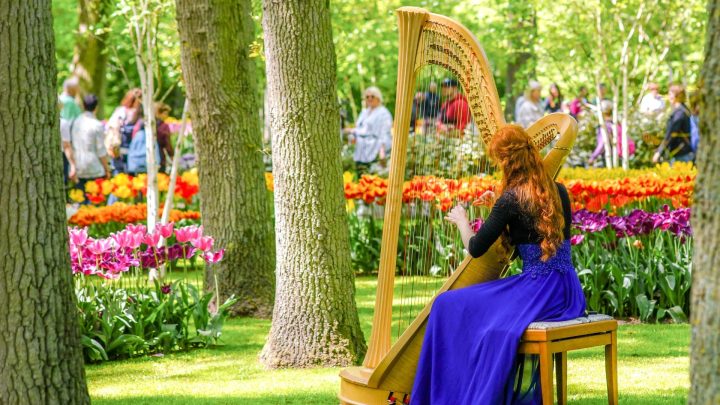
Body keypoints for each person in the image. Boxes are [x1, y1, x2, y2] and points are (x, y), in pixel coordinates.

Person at [411, 124, 586, 404]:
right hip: (565, 289)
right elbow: (531, 228)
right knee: (485, 320)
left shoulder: (511, 199)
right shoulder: (558, 190)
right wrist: (496, 207)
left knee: (446, 305)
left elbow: (476, 248)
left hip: (536, 289)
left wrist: (461, 222)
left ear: (508, 160)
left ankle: (453, 393)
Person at [61, 94, 111, 204]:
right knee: (96, 201)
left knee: (81, 200)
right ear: (96, 107)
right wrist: (107, 168)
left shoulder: (75, 122)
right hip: (94, 166)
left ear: (83, 106)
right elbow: (101, 150)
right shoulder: (97, 125)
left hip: (79, 165)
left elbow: (70, 144)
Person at [344, 86, 393, 175]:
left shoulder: (384, 113)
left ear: (378, 98)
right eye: (367, 97)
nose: (369, 98)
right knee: (360, 177)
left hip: (374, 150)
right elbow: (358, 129)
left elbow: (384, 133)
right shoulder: (364, 112)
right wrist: (352, 134)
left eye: (372, 96)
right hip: (360, 150)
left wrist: (382, 151)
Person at [653, 85, 693, 164]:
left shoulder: (679, 113)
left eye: (670, 94)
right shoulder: (685, 110)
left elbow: (671, 134)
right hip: (686, 151)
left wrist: (659, 152)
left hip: (681, 154)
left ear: (677, 96)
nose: (669, 97)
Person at [105, 88, 143, 174]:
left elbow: (109, 127)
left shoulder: (121, 111)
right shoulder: (142, 114)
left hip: (119, 149)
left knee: (119, 175)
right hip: (135, 151)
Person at [589, 100, 635, 166]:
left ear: (602, 113)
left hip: (609, 157)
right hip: (620, 155)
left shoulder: (605, 125)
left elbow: (602, 144)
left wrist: (593, 157)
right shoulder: (617, 123)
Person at [155, 102, 175, 173]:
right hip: (159, 156)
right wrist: (172, 155)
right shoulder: (164, 126)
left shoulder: (147, 125)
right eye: (165, 114)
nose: (166, 116)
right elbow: (167, 143)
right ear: (159, 113)